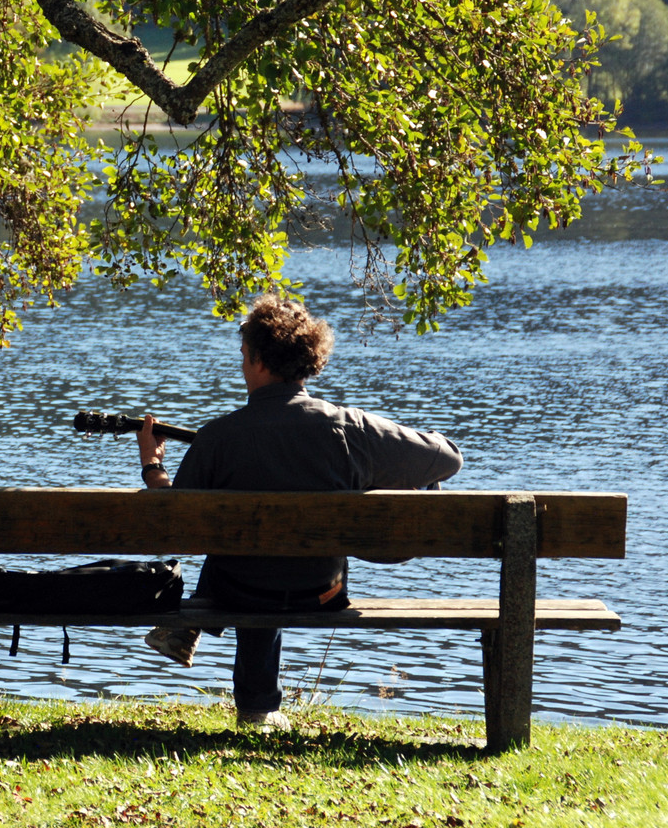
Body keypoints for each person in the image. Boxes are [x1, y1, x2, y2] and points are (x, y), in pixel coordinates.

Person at [136, 294, 462, 730]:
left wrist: (153, 468)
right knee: (272, 549)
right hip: (321, 591)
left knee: (248, 550)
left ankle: (252, 702)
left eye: (243, 355)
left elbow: (174, 526)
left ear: (255, 360)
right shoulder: (350, 427)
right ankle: (257, 705)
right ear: (309, 361)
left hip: (238, 592)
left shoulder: (217, 437)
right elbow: (449, 459)